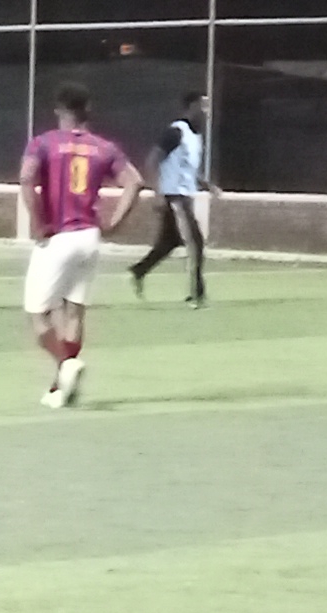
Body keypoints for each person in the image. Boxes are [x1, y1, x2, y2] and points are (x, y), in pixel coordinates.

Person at [15, 83, 148, 408]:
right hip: (89, 236)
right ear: (87, 111)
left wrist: (37, 221)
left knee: (38, 315)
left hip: (57, 236)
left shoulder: (43, 143)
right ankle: (61, 389)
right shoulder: (104, 147)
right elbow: (134, 182)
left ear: (59, 110)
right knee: (74, 311)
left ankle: (66, 364)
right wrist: (114, 222)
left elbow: (26, 178)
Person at [129, 91, 209, 305]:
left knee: (169, 242)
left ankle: (139, 270)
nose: (206, 111)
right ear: (192, 106)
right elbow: (152, 160)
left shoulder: (195, 135)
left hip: (185, 195)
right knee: (195, 242)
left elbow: (186, 169)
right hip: (175, 197)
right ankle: (197, 293)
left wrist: (206, 184)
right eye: (203, 105)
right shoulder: (176, 132)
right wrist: (157, 193)